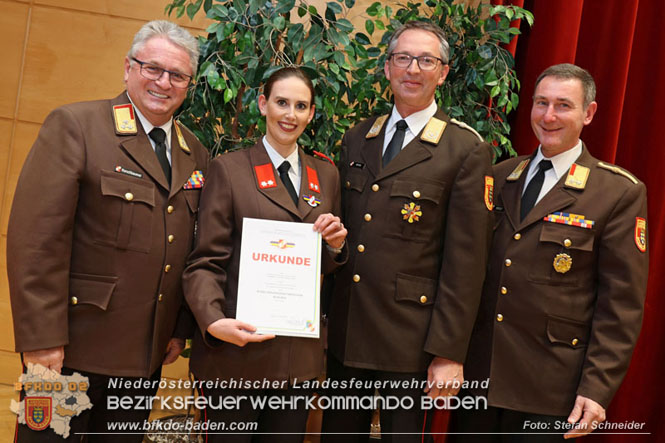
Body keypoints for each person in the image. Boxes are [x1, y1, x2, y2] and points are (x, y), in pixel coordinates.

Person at [7, 20, 210, 442]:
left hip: (143, 358)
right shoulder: (77, 126)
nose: (163, 82)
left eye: (177, 75)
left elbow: (189, 249)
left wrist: (178, 328)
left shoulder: (195, 154)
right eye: (152, 68)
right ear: (128, 67)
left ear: (189, 85)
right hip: (69, 349)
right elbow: (36, 243)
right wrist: (42, 340)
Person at [450, 64, 649, 441]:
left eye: (563, 105)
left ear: (588, 114)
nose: (549, 116)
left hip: (551, 386)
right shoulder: (501, 176)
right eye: (541, 103)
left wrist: (597, 387)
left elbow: (620, 306)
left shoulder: (618, 193)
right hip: (480, 379)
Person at [321, 21, 494, 442]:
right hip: (349, 330)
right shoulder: (359, 137)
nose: (412, 69)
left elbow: (466, 265)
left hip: (412, 340)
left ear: (444, 71)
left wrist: (449, 352)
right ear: (387, 68)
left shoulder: (466, 149)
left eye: (426, 60)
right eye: (403, 58)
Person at [182, 67, 348, 442]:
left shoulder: (327, 175)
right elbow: (205, 261)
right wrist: (212, 321)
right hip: (235, 357)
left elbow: (321, 264)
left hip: (297, 362)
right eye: (282, 102)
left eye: (301, 106)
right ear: (263, 104)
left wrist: (336, 246)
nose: (290, 115)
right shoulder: (230, 170)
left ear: (311, 114)